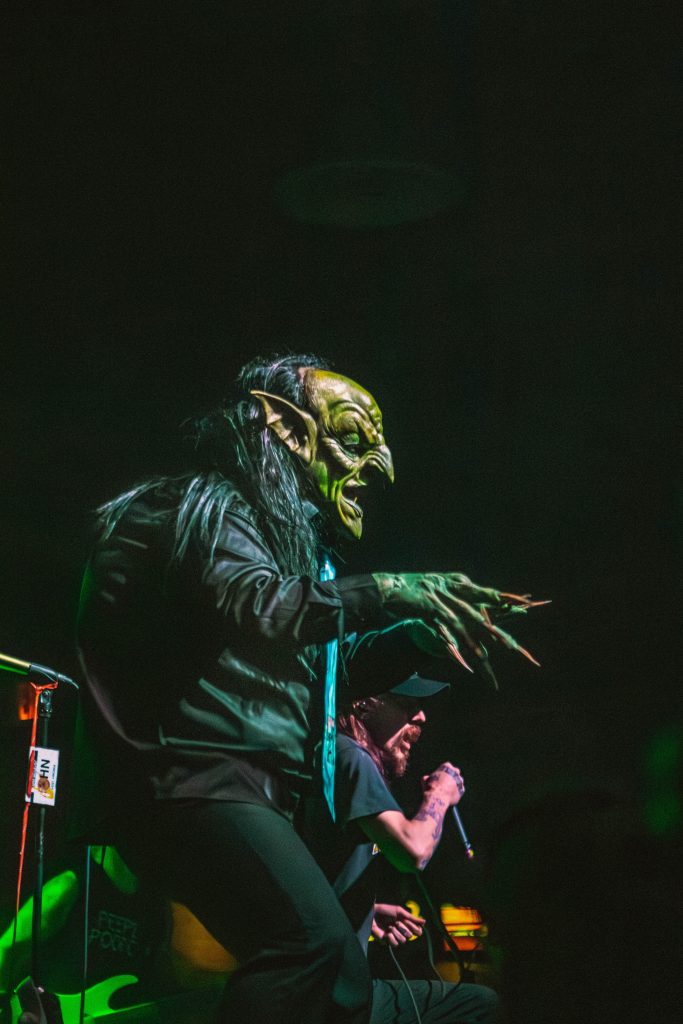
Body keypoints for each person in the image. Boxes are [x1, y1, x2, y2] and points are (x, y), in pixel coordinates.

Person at [74, 352, 539, 1023]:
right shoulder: (200, 507)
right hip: (185, 779)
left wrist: (421, 635)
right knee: (311, 951)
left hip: (227, 784)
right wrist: (390, 589)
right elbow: (262, 606)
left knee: (332, 975)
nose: (380, 465)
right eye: (352, 438)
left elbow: (325, 669)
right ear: (287, 431)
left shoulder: (277, 542)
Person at [303, 665, 499, 1024]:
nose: (421, 716)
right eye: (407, 704)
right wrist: (440, 795)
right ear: (364, 704)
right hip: (335, 995)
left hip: (333, 987)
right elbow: (413, 851)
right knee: (481, 1006)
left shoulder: (340, 756)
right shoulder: (350, 755)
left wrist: (363, 913)